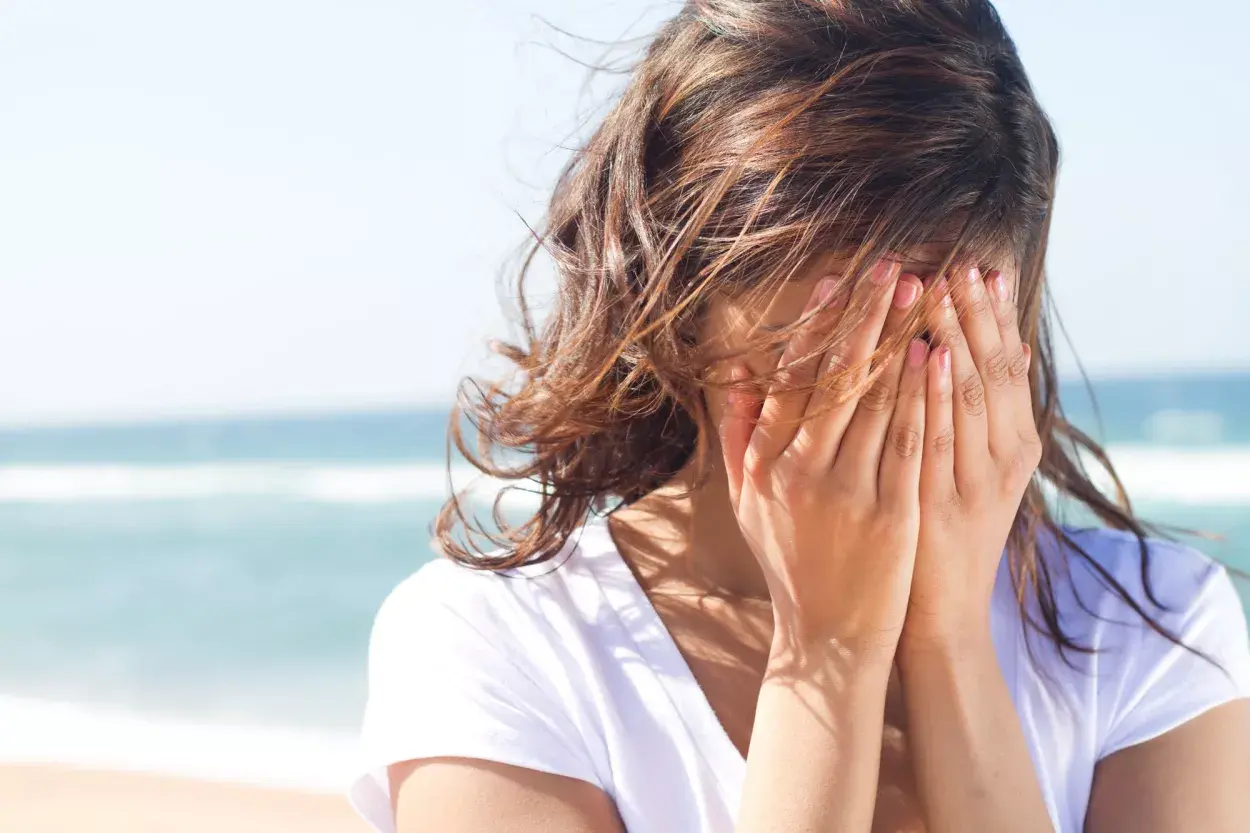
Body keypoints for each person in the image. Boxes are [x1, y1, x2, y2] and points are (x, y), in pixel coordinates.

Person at [349, 2, 1250, 831]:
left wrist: (950, 644)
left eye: (933, 347)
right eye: (827, 366)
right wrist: (829, 652)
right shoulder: (500, 647)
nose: (885, 417)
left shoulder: (1151, 626)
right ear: (676, 310)